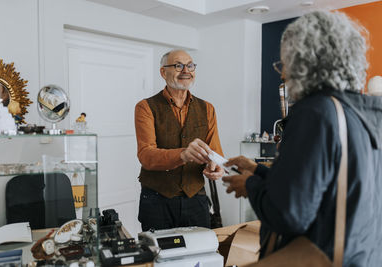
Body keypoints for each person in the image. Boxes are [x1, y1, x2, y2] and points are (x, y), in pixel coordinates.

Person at [223, 10, 382, 266]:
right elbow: (331, 187)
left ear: (303, 62)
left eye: (284, 64)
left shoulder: (315, 112)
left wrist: (251, 185)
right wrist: (259, 172)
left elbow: (289, 214)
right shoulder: (367, 114)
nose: (283, 74)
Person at [134, 49, 224, 231]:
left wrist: (216, 167)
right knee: (160, 256)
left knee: (199, 255)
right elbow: (146, 155)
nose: (186, 71)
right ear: (163, 72)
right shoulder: (145, 107)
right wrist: (183, 154)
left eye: (190, 66)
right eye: (178, 66)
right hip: (156, 200)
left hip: (196, 199)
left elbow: (214, 152)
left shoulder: (207, 108)